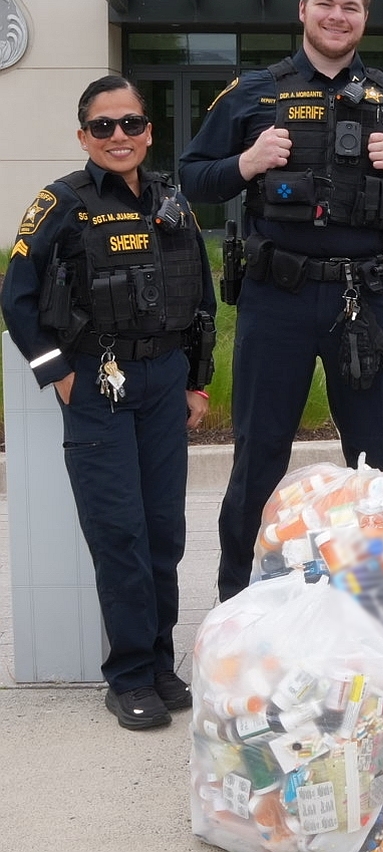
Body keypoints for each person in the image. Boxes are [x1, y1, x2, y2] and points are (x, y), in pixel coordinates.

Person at [179, 0, 383, 601]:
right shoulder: (253, 93)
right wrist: (246, 163)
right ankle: (238, 604)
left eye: (351, 8)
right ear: (303, 10)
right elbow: (193, 176)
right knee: (258, 459)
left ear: (365, 19)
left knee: (377, 462)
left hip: (369, 302)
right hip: (276, 300)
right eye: (327, 4)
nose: (338, 17)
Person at [1, 76, 217, 730]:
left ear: (149, 131)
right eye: (103, 126)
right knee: (119, 533)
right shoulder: (60, 202)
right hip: (98, 383)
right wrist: (58, 375)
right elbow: (17, 297)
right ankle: (127, 676)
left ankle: (159, 663)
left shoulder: (172, 202)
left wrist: (197, 382)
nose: (118, 136)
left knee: (164, 532)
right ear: (84, 136)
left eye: (130, 124)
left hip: (164, 382)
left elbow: (200, 296)